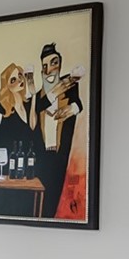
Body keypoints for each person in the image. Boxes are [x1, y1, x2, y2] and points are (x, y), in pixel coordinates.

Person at [31, 42, 84, 218]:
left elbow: (78, 104)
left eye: (53, 63)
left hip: (60, 153)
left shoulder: (68, 87)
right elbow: (34, 110)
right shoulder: (38, 97)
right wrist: (52, 94)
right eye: (45, 66)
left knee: (55, 199)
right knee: (40, 201)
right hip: (41, 156)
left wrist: (72, 109)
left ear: (60, 65)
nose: (49, 70)